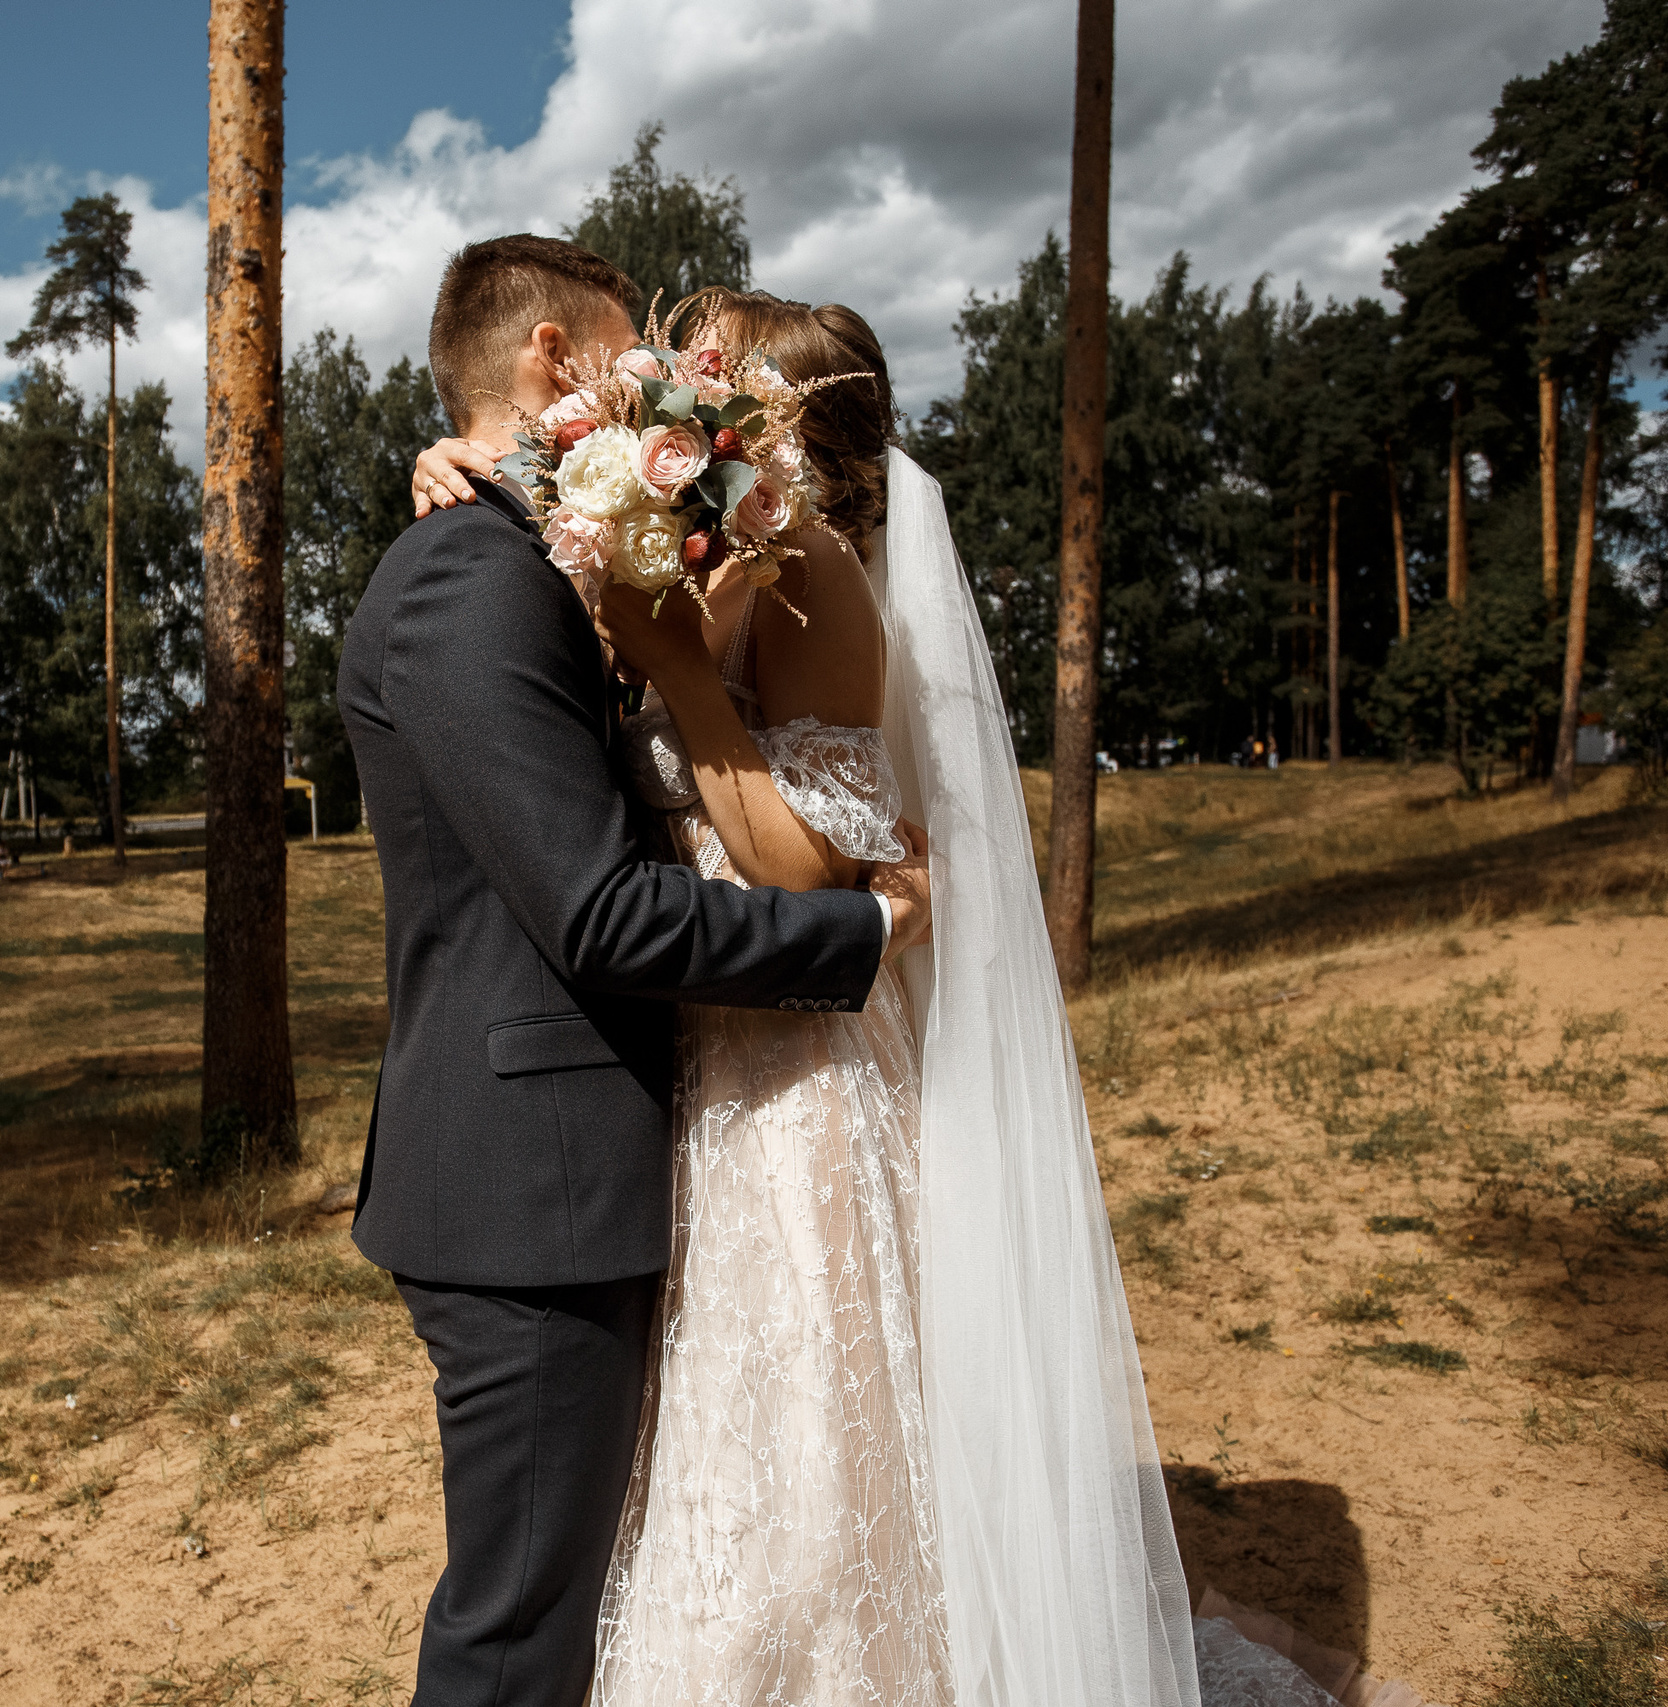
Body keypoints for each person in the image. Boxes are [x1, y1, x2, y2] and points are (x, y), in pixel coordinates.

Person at [406, 288, 1234, 1707]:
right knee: (724, 1438)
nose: (661, 382)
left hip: (801, 1076)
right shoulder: (725, 564)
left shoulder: (823, 578)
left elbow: (811, 863)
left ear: (763, 425)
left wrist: (683, 682)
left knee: (808, 1424)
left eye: (696, 376)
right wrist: (452, 465)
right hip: (711, 1050)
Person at [336, 238, 934, 1707]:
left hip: (636, 1143)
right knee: (522, 1623)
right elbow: (603, 911)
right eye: (636, 355)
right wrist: (862, 935)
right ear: (551, 357)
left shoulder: (574, 559)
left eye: (700, 381)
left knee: (610, 1573)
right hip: (532, 1183)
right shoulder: (470, 582)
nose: (659, 387)